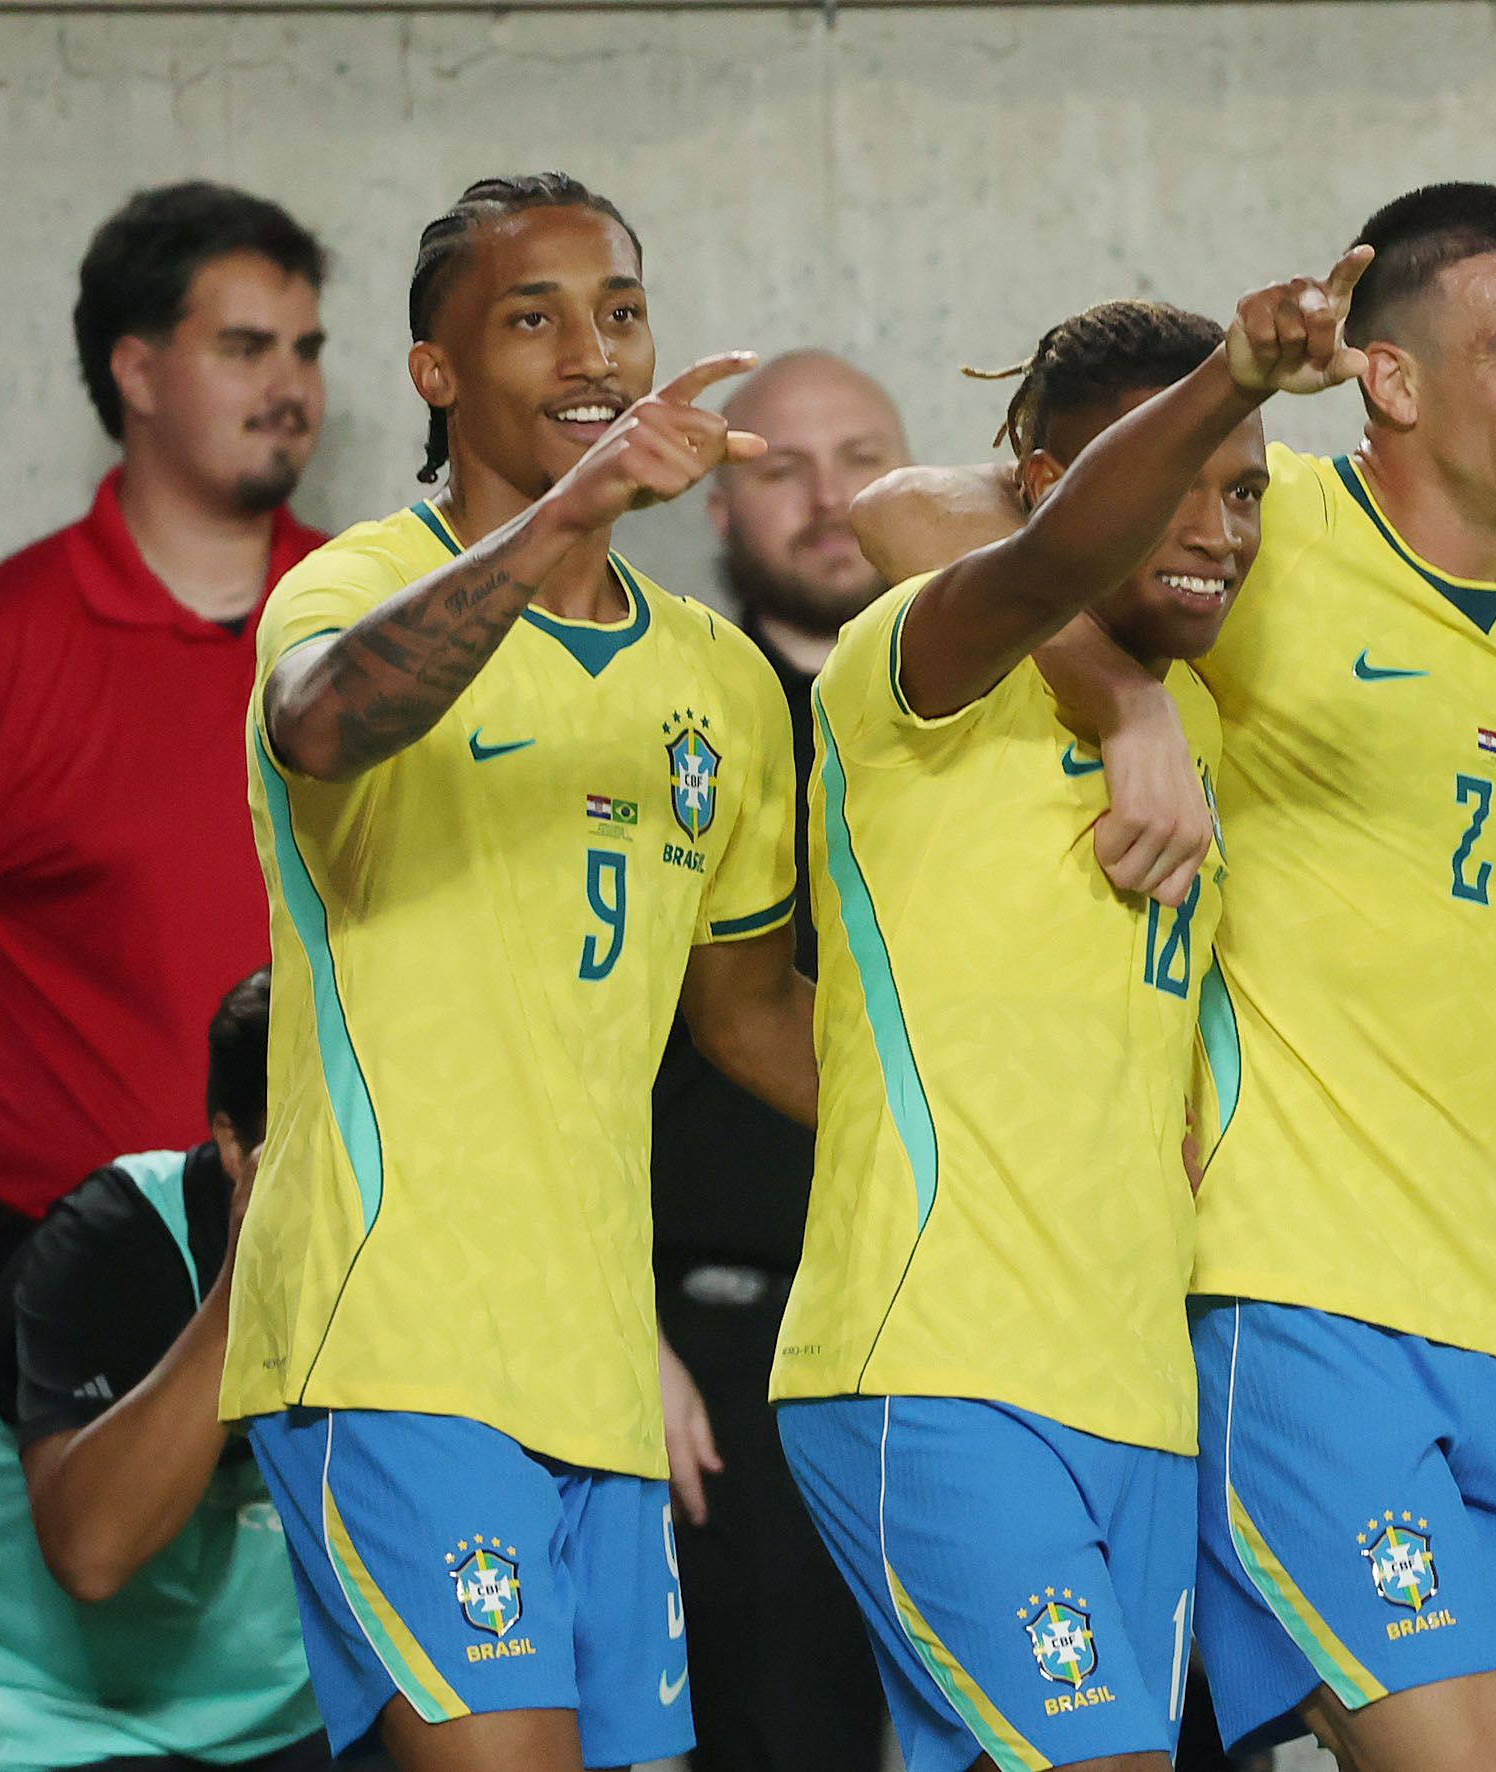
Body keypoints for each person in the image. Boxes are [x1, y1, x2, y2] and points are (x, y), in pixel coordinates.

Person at [857, 183, 1496, 1772]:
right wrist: (1122, 696)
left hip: (1491, 1301)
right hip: (1289, 1294)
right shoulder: (1263, 525)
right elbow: (907, 508)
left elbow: (1482, 884)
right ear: (1392, 381)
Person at [218, 172, 817, 1772]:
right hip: (392, 1337)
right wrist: (567, 515)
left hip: (600, 1373)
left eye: (618, 312)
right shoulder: (346, 589)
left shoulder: (717, 678)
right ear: (435, 372)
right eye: (531, 317)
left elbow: (753, 1013)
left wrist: (986, 1133)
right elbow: (325, 721)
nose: (591, 354)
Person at [779, 266, 1359, 1772]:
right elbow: (932, 515)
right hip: (938, 1366)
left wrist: (1142, 699)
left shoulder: (1205, 714)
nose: (1216, 529)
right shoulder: (923, 662)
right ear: (1045, 486)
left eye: (1241, 493)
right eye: (1170, 484)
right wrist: (1227, 378)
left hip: (1134, 1392)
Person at [0, 181, 330, 1484]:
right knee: (70, 1684)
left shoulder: (391, 630)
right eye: (245, 347)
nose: (290, 384)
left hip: (357, 1269)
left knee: (345, 1687)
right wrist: (39, 1148)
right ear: (135, 368)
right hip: (61, 1282)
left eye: (307, 349)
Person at [652, 350, 911, 1772]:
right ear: (713, 506)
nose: (829, 501)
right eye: (777, 467)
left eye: (863, 456)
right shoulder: (664, 719)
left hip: (992, 1322)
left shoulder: (1026, 714)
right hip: (732, 1340)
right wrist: (626, 1321)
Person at [0, 969, 326, 1772]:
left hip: (287, 1729)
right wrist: (246, 1293)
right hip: (53, 1728)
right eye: (308, 1142)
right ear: (233, 1142)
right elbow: (91, 1553)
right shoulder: (112, 1239)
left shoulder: (409, 1252)